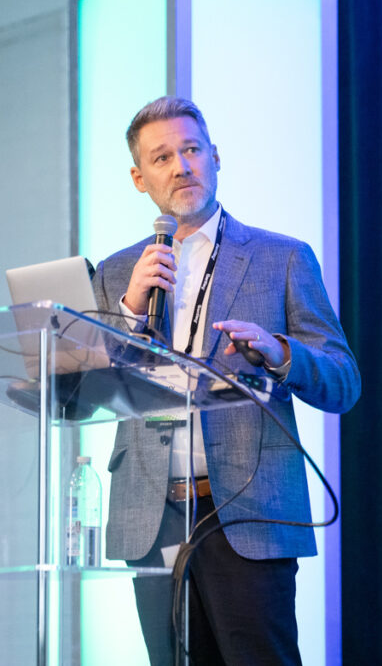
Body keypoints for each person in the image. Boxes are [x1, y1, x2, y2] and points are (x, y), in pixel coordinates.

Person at [91, 96, 361, 665]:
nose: (181, 166)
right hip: (154, 514)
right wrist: (130, 309)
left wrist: (279, 352)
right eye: (162, 158)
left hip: (245, 511)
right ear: (140, 179)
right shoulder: (118, 272)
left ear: (215, 158)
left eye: (191, 150)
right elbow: (89, 387)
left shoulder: (280, 258)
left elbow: (342, 380)